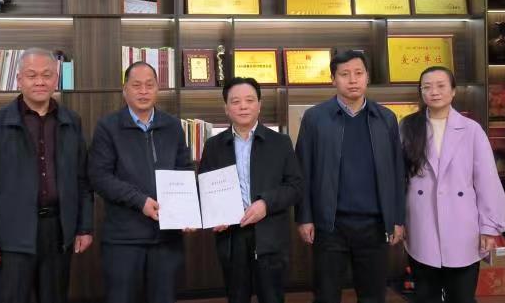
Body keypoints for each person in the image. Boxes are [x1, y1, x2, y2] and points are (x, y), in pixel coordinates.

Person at [0, 48, 93, 303]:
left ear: (56, 79)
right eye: (32, 75)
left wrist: (84, 227)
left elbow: (82, 181)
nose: (40, 82)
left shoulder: (71, 121)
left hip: (58, 231)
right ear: (19, 80)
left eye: (47, 75)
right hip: (12, 233)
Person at [295, 50, 405, 303]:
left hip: (375, 224)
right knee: (326, 295)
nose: (352, 80)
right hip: (329, 224)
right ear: (333, 79)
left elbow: (397, 172)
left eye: (358, 73)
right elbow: (303, 170)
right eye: (344, 74)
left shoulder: (386, 118)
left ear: (367, 77)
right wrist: (304, 217)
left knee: (373, 296)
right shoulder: (315, 118)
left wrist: (397, 218)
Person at [400, 66, 505, 303]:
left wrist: (489, 228)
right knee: (425, 295)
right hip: (421, 222)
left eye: (441, 86)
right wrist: (398, 220)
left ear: (453, 91)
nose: (434, 92)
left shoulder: (471, 130)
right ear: (421, 92)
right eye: (427, 87)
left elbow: (487, 181)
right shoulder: (408, 127)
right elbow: (399, 178)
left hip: (462, 224)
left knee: (461, 296)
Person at [88, 61, 193, 303]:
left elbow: (184, 169)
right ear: (125, 90)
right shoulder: (108, 127)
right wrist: (140, 201)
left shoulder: (172, 126)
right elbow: (100, 177)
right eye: (136, 85)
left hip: (166, 239)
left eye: (149, 85)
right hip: (124, 239)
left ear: (158, 89)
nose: (143, 91)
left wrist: (186, 211)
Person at [198, 77, 302, 303]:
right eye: (235, 102)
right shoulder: (214, 146)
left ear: (259, 105)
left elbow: (295, 187)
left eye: (249, 100)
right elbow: (204, 187)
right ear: (226, 108)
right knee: (236, 297)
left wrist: (266, 203)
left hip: (270, 234)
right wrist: (215, 213)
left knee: (272, 297)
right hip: (231, 236)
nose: (243, 106)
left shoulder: (280, 142)